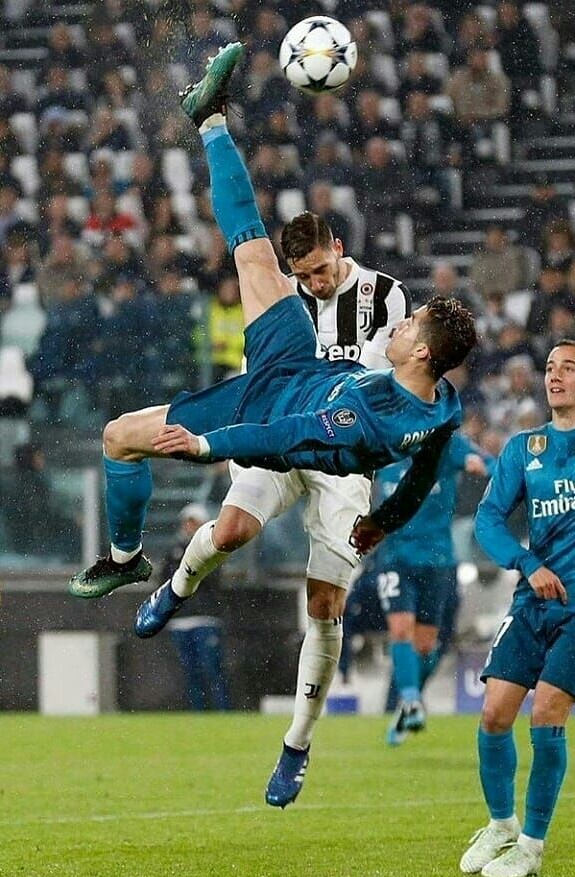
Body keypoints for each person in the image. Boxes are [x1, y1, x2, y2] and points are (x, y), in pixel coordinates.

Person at [68, 38, 476, 768]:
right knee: (247, 257)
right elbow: (418, 473)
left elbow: (294, 434)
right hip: (289, 374)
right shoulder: (433, 397)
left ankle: (296, 744)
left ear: (416, 347)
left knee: (323, 606)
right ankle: (211, 120)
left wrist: (206, 446)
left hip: (301, 440)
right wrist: (390, 517)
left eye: (409, 328)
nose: (398, 323)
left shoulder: (380, 393)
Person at [135, 205, 411, 812]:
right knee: (230, 531)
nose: (314, 284)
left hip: (341, 456)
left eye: (320, 270)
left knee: (324, 603)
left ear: (339, 247)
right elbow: (253, 376)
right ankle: (176, 588)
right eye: (303, 275)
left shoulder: (386, 297)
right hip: (282, 434)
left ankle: (297, 744)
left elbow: (380, 385)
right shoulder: (280, 300)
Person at [459, 338, 575, 877]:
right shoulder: (523, 448)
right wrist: (528, 564)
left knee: (548, 709)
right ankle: (501, 826)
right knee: (494, 714)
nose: (556, 376)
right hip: (533, 599)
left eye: (569, 368)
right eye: (551, 368)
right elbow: (488, 521)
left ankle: (530, 847)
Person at [342, 432, 495, 746]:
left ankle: (406, 704)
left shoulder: (448, 445)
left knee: (426, 646)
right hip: (396, 558)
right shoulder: (385, 443)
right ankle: (411, 701)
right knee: (400, 629)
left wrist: (479, 463)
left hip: (438, 559)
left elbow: (492, 464)